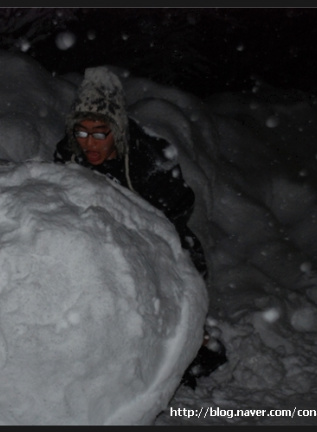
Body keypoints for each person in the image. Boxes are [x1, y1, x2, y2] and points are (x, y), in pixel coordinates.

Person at [53, 66, 226, 388]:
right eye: (82, 132)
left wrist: (136, 231)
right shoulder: (69, 152)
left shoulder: (149, 157)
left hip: (153, 238)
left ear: (116, 130)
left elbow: (176, 214)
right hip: (96, 239)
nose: (89, 143)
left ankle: (190, 338)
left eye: (99, 133)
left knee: (179, 266)